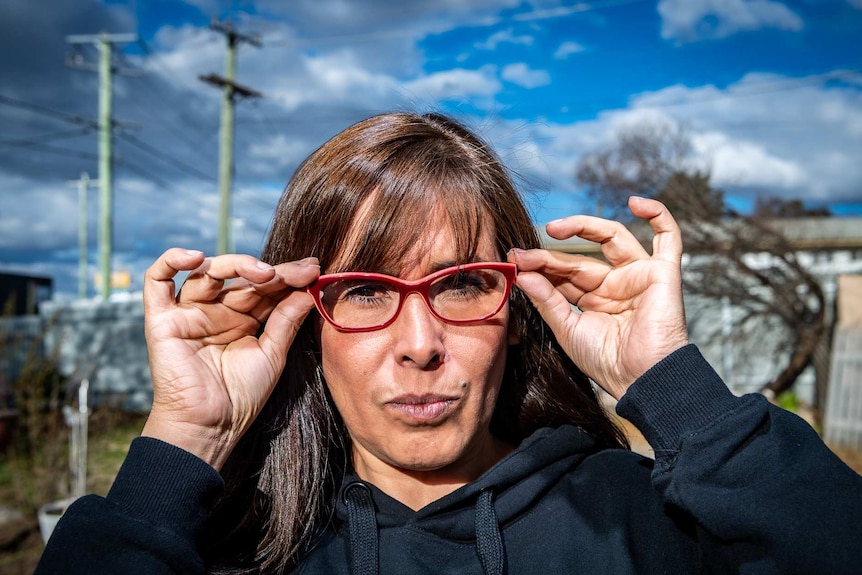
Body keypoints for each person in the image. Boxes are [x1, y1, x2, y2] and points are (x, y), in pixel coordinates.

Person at [36, 112, 861, 575]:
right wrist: (187, 436)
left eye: (461, 284)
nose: (421, 344)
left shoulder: (642, 526)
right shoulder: (236, 549)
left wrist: (676, 386)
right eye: (364, 291)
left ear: (516, 304)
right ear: (304, 320)